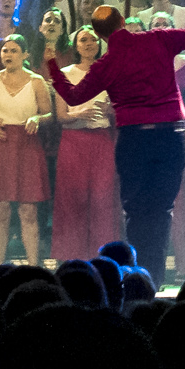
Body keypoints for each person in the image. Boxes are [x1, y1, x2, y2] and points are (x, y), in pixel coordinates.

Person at [41, 0, 185, 261]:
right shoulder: (157, 39)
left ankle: (138, 274)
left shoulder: (106, 63)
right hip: (170, 135)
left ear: (101, 35)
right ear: (123, 22)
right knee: (162, 209)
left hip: (134, 139)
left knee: (136, 210)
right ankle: (155, 274)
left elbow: (73, 96)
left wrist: (52, 68)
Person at [0, 34, 51, 267]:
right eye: (5, 51)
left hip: (27, 145)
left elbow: (49, 113)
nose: (8, 55)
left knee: (28, 209)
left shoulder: (37, 81)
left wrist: (37, 118)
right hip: (2, 142)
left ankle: (33, 265)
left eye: (14, 50)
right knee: (1, 209)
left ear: (26, 54)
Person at [51, 23, 121, 259]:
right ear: (75, 45)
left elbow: (120, 108)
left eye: (92, 39)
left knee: (103, 199)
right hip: (73, 141)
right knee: (73, 199)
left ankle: (104, 258)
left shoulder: (110, 71)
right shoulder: (66, 73)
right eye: (83, 40)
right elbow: (60, 116)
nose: (89, 43)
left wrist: (111, 109)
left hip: (102, 141)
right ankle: (73, 258)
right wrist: (80, 114)